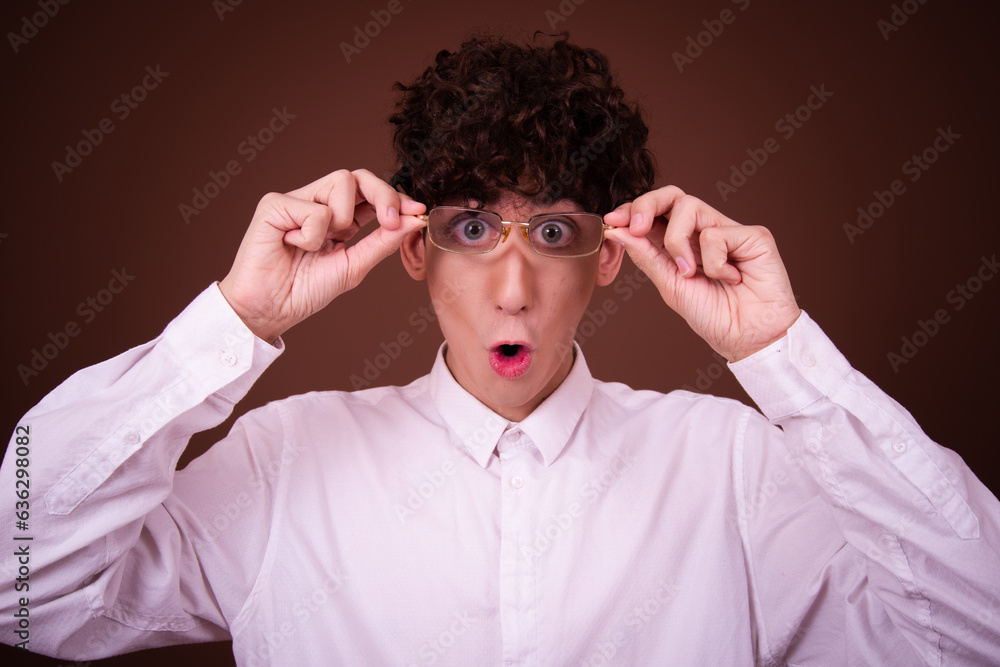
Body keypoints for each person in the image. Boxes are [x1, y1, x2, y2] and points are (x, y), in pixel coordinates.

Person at [2, 32, 999, 666]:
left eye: (555, 233)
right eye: (474, 229)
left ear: (610, 257)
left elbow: (978, 629)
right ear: (414, 252)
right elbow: (18, 585)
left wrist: (785, 354)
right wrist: (232, 320)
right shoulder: (283, 459)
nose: (512, 287)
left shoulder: (729, 465)